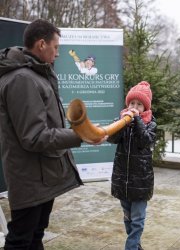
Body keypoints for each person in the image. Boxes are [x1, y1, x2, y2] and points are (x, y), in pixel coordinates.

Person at [0, 19, 105, 250]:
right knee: (21, 240)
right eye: (56, 47)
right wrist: (81, 135)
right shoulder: (22, 79)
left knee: (35, 235)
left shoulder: (35, 74)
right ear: (41, 44)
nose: (58, 53)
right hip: (30, 178)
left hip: (41, 175)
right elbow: (35, 136)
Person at [107, 81, 157, 250]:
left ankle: (131, 247)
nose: (134, 107)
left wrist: (137, 122)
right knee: (128, 217)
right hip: (123, 179)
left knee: (138, 219)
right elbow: (111, 138)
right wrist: (122, 124)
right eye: (131, 103)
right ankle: (136, 245)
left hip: (140, 181)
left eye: (139, 104)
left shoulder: (150, 124)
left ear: (146, 107)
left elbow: (145, 141)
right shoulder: (121, 121)